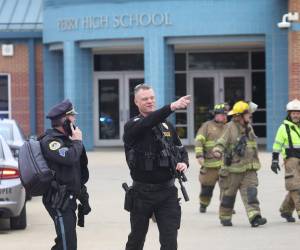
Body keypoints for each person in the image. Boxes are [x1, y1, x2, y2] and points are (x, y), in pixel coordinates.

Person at [123, 84, 190, 250]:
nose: (149, 101)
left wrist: (184, 163)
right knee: (136, 240)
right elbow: (148, 122)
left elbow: (181, 150)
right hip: (142, 194)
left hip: (167, 193)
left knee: (170, 241)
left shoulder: (167, 126)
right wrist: (171, 107)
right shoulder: (133, 125)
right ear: (136, 102)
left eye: (152, 98)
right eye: (145, 99)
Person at [40, 99, 90, 250]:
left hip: (69, 200)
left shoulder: (67, 140)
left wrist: (83, 196)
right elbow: (69, 158)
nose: (75, 120)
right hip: (58, 200)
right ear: (65, 121)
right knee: (68, 245)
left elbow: (75, 173)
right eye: (72, 117)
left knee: (65, 243)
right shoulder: (51, 141)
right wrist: (77, 142)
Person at [212, 101, 267, 227]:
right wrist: (217, 151)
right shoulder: (229, 127)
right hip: (233, 170)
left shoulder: (248, 127)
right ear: (240, 115)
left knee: (251, 193)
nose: (250, 116)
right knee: (228, 196)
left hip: (249, 168)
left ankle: (255, 217)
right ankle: (225, 217)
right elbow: (221, 142)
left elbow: (252, 146)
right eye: (248, 114)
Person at [195, 103, 228, 213]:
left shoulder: (228, 127)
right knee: (207, 189)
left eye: (225, 114)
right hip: (209, 165)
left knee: (226, 188)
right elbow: (199, 140)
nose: (224, 116)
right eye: (221, 114)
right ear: (216, 115)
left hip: (225, 164)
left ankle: (226, 207)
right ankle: (203, 204)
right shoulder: (207, 126)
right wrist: (199, 155)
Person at [271, 99, 300, 223]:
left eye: (298, 113)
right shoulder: (283, 128)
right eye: (293, 113)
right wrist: (275, 160)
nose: (296, 115)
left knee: (295, 188)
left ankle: (285, 210)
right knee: (295, 187)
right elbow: (277, 144)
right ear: (289, 114)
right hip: (290, 160)